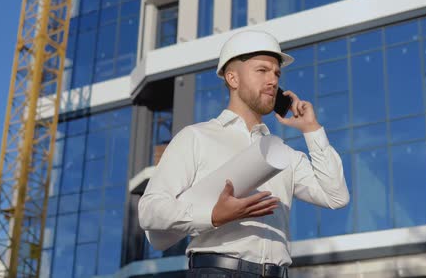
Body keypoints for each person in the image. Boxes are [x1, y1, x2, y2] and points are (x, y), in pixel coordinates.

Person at [138, 30, 350, 278]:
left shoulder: (283, 154)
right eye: (262, 71)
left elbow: (336, 197)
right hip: (217, 272)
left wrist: (312, 130)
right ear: (232, 78)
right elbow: (150, 210)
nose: (273, 81)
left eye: (276, 73)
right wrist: (213, 216)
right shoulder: (196, 137)